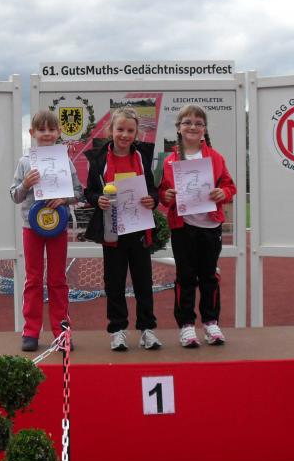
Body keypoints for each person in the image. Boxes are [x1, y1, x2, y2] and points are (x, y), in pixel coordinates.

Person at [83, 107, 161, 351]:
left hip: (138, 229)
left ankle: (147, 329)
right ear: (111, 130)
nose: (125, 135)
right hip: (113, 229)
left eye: (130, 130)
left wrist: (152, 199)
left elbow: (152, 189)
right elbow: (89, 191)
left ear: (136, 133)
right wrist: (97, 199)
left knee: (143, 282)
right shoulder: (99, 159)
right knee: (114, 283)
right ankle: (117, 330)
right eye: (120, 129)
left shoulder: (142, 157)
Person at [158, 105, 237, 347]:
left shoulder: (215, 158)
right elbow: (163, 192)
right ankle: (186, 325)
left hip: (210, 227)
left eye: (198, 123)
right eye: (187, 122)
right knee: (185, 277)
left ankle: (211, 322)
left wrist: (222, 192)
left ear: (204, 129)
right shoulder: (170, 160)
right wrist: (166, 197)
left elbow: (230, 187)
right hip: (183, 227)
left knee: (209, 276)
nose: (192, 127)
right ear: (178, 128)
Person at [10, 111, 83, 352]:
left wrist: (64, 199)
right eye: (41, 130)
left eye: (51, 129)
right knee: (33, 279)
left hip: (58, 228)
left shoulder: (66, 161)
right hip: (31, 228)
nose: (47, 134)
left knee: (57, 279)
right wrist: (25, 184)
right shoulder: (24, 162)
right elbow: (14, 195)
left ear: (59, 132)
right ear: (32, 133)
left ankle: (61, 332)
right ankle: (31, 331)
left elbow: (79, 193)